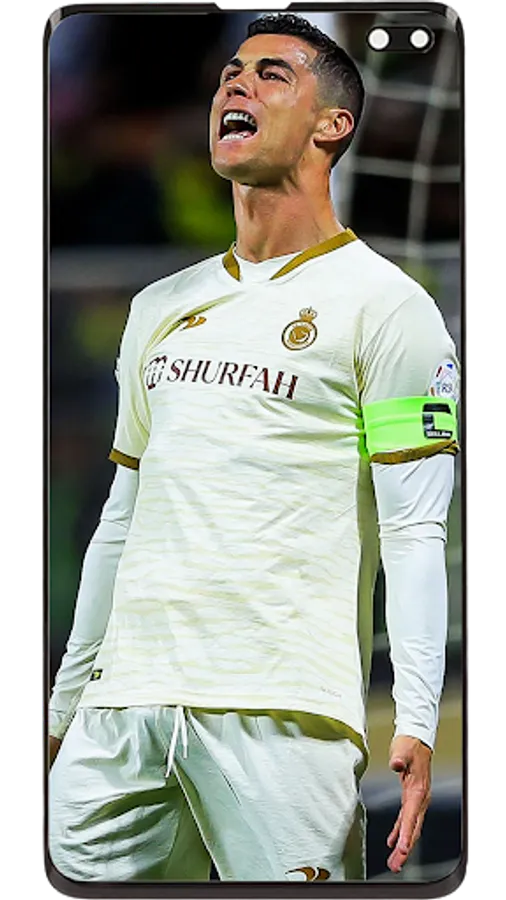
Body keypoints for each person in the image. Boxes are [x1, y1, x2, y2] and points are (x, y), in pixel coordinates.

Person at [48, 13, 460, 884]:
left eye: (272, 74)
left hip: (283, 716)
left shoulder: (390, 308)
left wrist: (417, 717)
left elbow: (416, 530)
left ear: (332, 124)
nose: (235, 84)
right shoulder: (159, 307)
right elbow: (121, 521)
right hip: (123, 713)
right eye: (230, 72)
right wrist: (65, 702)